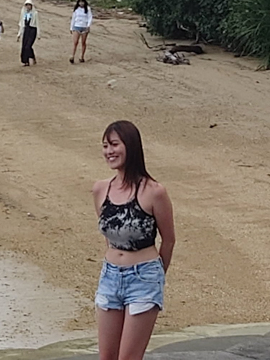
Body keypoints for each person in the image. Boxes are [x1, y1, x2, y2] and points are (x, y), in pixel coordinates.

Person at [91, 120, 176, 360]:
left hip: (143, 278)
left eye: (115, 144)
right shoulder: (100, 189)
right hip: (109, 277)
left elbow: (168, 240)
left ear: (131, 146)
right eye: (105, 145)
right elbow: (109, 235)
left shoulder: (154, 191)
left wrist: (156, 276)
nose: (109, 151)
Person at [70, 0, 93, 64]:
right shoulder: (76, 9)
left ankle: (82, 56)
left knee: (83, 42)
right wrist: (71, 28)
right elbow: (73, 18)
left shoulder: (87, 9)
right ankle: (72, 56)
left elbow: (90, 17)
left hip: (84, 27)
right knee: (75, 42)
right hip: (77, 26)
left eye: (82, 2)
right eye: (80, 2)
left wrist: (88, 26)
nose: (81, 3)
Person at [19, 0, 40, 66]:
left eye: (29, 5)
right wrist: (19, 34)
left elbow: (38, 24)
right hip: (26, 30)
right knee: (24, 46)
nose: (28, 7)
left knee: (28, 46)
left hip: (33, 30)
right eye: (27, 5)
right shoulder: (24, 13)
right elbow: (21, 23)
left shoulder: (35, 13)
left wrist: (39, 34)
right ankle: (25, 61)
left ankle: (32, 57)